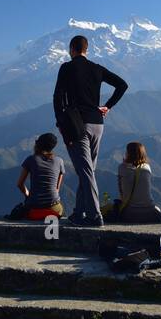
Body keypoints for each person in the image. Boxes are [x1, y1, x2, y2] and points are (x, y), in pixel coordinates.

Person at [53, 34, 128, 227]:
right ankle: (78, 213)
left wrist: (61, 123)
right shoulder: (97, 68)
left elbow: (58, 97)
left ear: (71, 49)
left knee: (85, 171)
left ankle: (95, 216)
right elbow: (122, 85)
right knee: (87, 170)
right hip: (98, 124)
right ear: (86, 49)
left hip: (77, 124)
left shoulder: (66, 68)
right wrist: (108, 106)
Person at [11, 132, 65, 220]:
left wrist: (28, 195)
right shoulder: (60, 161)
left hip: (35, 209)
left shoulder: (31, 160)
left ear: (38, 144)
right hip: (55, 210)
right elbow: (56, 189)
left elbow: (20, 184)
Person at [108, 141, 161, 224]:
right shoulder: (147, 168)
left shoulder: (122, 168)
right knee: (158, 208)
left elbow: (122, 194)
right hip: (151, 213)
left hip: (130, 214)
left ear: (128, 153)